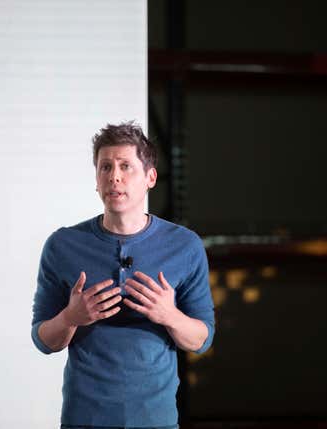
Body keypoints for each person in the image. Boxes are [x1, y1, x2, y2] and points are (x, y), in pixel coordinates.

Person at [31, 121, 215, 429]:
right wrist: (70, 317)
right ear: (97, 180)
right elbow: (43, 340)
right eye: (105, 167)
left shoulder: (185, 245)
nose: (114, 176)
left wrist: (169, 314)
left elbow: (202, 339)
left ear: (150, 177)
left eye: (126, 166)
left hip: (156, 420)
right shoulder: (62, 245)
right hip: (84, 419)